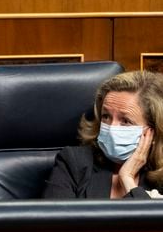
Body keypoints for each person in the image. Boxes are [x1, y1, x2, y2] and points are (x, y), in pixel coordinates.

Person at [42, 70, 163, 199]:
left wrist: (128, 180)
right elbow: (56, 218)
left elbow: (150, 219)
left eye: (126, 121)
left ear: (154, 132)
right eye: (106, 116)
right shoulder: (73, 161)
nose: (111, 128)